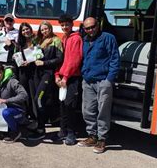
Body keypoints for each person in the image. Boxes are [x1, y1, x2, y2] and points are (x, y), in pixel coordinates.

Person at [78, 17, 120, 154]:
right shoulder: (85, 40)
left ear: (98, 25)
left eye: (92, 27)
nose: (90, 30)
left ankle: (102, 139)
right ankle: (92, 135)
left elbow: (114, 59)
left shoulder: (108, 38)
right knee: (87, 110)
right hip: (88, 80)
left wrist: (109, 79)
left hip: (103, 80)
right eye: (87, 28)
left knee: (103, 111)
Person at [28, 21, 63, 141]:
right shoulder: (38, 41)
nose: (44, 31)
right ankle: (39, 125)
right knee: (38, 99)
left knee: (39, 98)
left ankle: (41, 130)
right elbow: (33, 55)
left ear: (50, 28)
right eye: (42, 29)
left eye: (46, 29)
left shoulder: (56, 41)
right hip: (37, 74)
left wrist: (45, 63)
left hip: (48, 74)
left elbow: (59, 59)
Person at [54, 14, 83, 145]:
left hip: (71, 77)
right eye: (62, 25)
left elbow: (74, 60)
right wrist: (57, 75)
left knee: (70, 106)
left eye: (67, 24)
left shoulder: (76, 39)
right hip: (62, 78)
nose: (64, 27)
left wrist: (65, 77)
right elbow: (59, 60)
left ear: (72, 24)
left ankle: (71, 133)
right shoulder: (63, 38)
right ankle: (62, 130)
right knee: (62, 105)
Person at [0, 64, 28, 143]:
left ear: (3, 72)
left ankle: (16, 132)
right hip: (4, 108)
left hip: (18, 110)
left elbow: (24, 95)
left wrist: (7, 100)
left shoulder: (12, 81)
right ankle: (3, 129)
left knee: (6, 113)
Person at [14, 22, 38, 121]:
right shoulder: (20, 43)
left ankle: (35, 116)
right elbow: (17, 57)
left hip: (34, 71)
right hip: (23, 72)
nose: (25, 31)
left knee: (33, 94)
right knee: (24, 93)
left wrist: (30, 62)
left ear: (30, 29)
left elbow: (40, 56)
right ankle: (26, 114)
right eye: (23, 30)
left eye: (27, 29)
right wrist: (15, 57)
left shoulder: (36, 41)